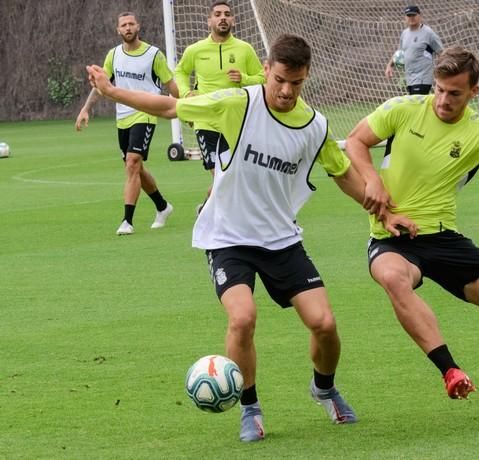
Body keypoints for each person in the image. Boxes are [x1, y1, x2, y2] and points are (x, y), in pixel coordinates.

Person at [86, 34, 416, 442]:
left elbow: (344, 173)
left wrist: (386, 212)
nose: (285, 90)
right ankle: (250, 407)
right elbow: (171, 105)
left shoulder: (315, 126)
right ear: (267, 68)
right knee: (242, 318)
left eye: (295, 83)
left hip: (281, 239)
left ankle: (324, 389)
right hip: (227, 236)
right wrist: (111, 90)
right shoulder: (238, 103)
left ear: (306, 77)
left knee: (325, 324)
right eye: (279, 80)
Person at [346, 46, 479, 403]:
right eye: (439, 89)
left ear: (473, 92)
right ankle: (450, 370)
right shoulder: (404, 109)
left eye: (455, 93)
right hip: (392, 237)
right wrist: (371, 179)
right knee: (392, 278)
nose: (443, 99)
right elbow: (356, 140)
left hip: (444, 238)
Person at [75, 12, 177, 235]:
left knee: (132, 162)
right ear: (118, 30)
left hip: (146, 113)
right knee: (136, 168)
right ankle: (162, 206)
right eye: (124, 25)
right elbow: (101, 86)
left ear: (138, 26)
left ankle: (127, 221)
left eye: (131, 23)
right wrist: (85, 108)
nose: (128, 28)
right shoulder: (113, 55)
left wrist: (185, 106)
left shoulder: (153, 54)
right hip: (123, 118)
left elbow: (171, 85)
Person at [175, 0, 265, 207]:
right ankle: (222, 219)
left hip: (236, 120)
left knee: (232, 174)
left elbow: (263, 77)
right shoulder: (196, 50)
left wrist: (244, 78)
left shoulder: (245, 49)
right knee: (220, 174)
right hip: (206, 121)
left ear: (233, 20)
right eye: (217, 14)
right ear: (209, 21)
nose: (222, 17)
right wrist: (186, 93)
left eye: (226, 14)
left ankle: (206, 208)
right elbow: (180, 71)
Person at [384, 5, 443, 95]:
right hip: (409, 79)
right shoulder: (404, 33)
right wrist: (390, 65)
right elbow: (399, 52)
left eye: (414, 15)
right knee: (417, 106)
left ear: (420, 16)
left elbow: (441, 52)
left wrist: (443, 70)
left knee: (416, 105)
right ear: (405, 18)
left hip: (423, 78)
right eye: (409, 15)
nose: (411, 18)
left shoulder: (428, 33)